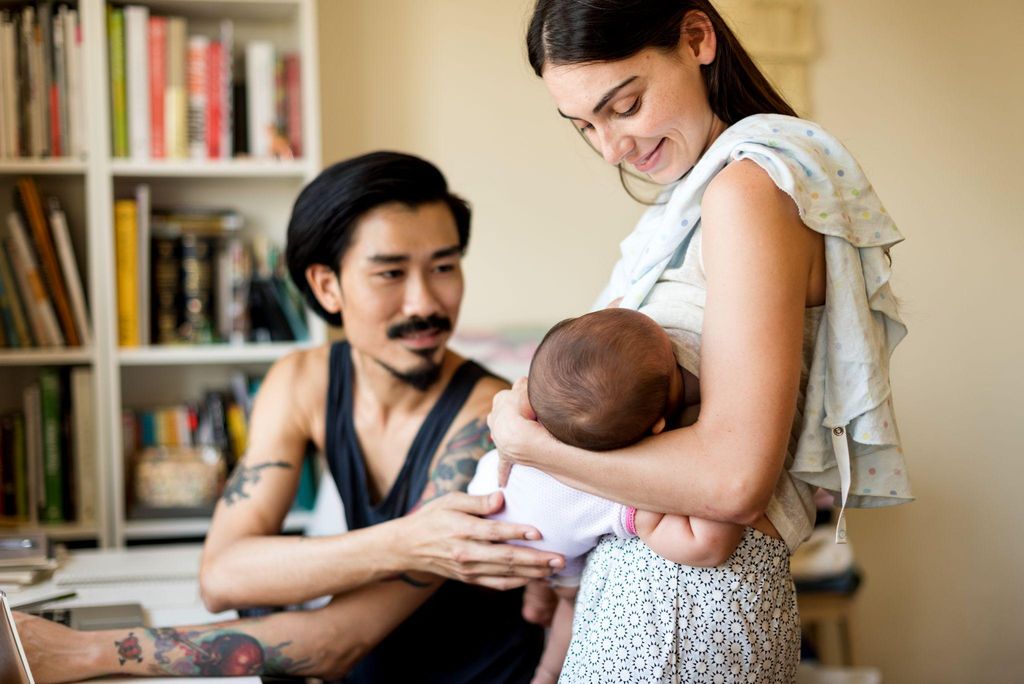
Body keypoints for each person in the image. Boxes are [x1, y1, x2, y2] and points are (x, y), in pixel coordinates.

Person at [14, 151, 564, 683]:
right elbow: (223, 577)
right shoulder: (303, 381)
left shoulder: (488, 422)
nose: (425, 302)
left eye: (443, 266)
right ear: (327, 286)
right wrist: (407, 540)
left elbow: (334, 643)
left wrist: (84, 652)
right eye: (391, 273)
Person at [487, 1, 912, 681]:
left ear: (696, 38)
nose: (610, 147)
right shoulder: (693, 200)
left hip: (684, 604)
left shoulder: (746, 190)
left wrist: (530, 447)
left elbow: (733, 480)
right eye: (584, 126)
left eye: (624, 105)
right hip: (659, 596)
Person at [471, 306, 767, 684]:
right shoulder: (622, 494)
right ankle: (546, 672)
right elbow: (709, 547)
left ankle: (535, 594)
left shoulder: (529, 420)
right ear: (658, 427)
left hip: (492, 495)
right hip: (552, 550)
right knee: (570, 605)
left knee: (541, 567)